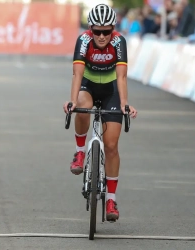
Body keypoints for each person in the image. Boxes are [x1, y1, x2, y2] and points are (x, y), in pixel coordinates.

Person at [63, 4, 137, 222]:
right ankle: (79, 152)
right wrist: (72, 100)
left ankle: (111, 199)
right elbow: (77, 73)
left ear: (113, 28)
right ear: (90, 29)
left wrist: (124, 103)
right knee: (82, 108)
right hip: (88, 85)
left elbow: (122, 77)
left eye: (107, 31)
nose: (103, 36)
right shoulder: (83, 41)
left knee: (112, 145)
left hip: (111, 90)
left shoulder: (118, 41)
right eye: (98, 31)